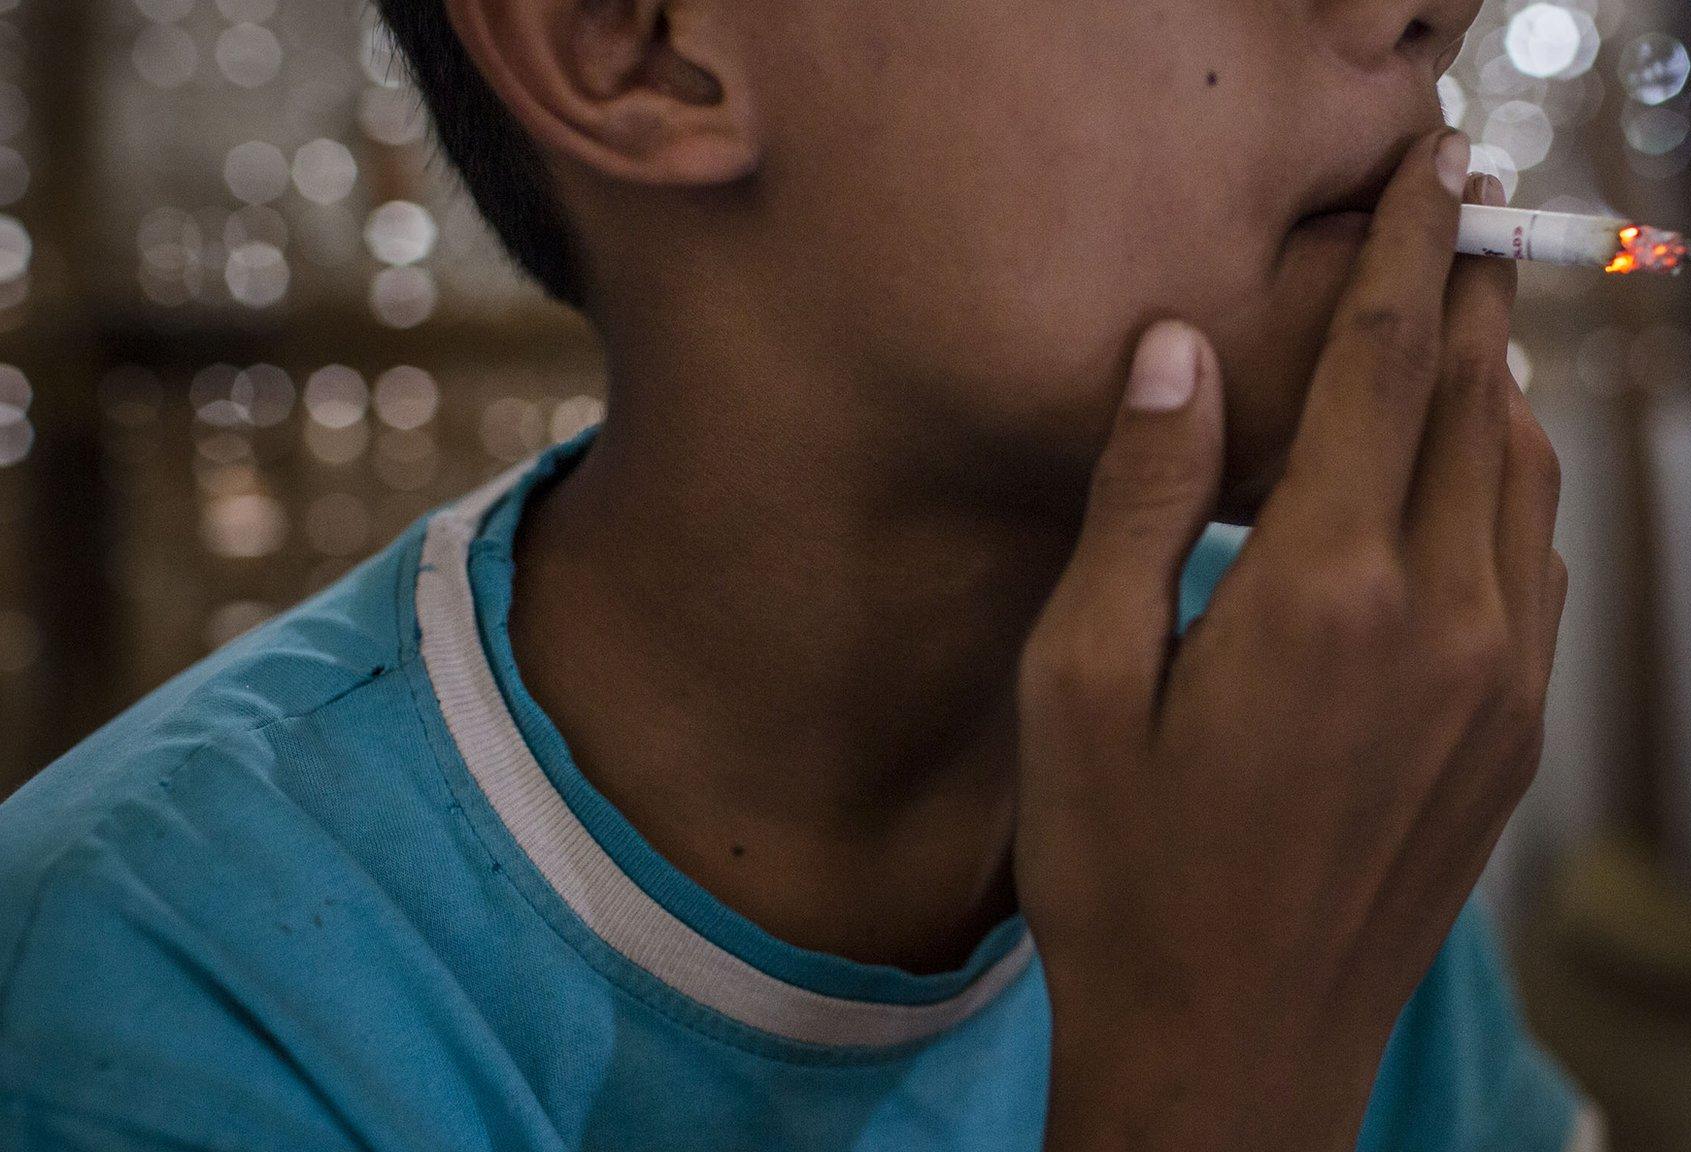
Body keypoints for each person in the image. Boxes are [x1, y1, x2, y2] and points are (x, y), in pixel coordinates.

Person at [0, 0, 1598, 1147]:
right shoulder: (157, 1006)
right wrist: (1221, 1076)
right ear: (630, 39)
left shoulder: (1302, 721)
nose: (1427, 13)